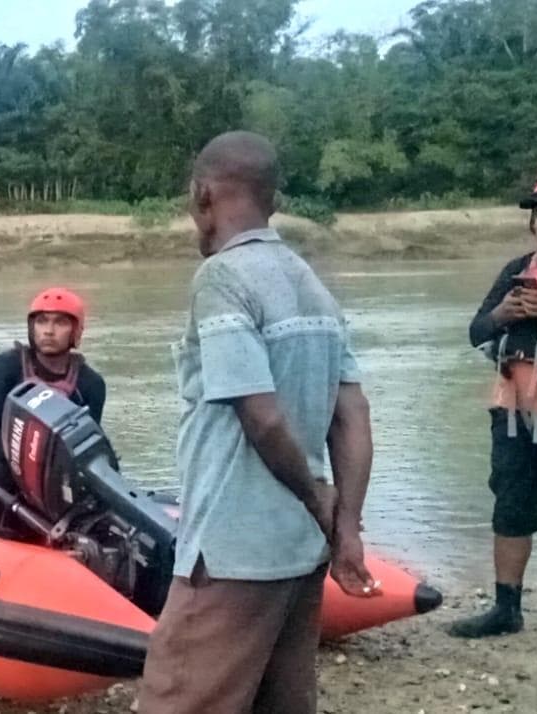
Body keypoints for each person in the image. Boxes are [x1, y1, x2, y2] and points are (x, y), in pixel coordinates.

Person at [138, 132, 379, 714]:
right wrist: (344, 527)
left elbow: (262, 417)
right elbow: (353, 415)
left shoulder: (223, 279)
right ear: (271, 200)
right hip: (300, 554)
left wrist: (317, 503)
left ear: (202, 195)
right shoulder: (313, 286)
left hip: (232, 550)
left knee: (178, 698)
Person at [450, 169, 537, 653]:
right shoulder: (517, 269)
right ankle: (506, 609)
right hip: (512, 410)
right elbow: (476, 331)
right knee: (510, 505)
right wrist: (503, 314)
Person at [0, 287, 108, 526]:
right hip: (8, 464)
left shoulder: (91, 384)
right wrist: (25, 469)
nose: (49, 331)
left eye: (60, 323)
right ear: (32, 328)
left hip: (58, 474)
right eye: (42, 321)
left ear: (76, 331)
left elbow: (86, 445)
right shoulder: (7, 366)